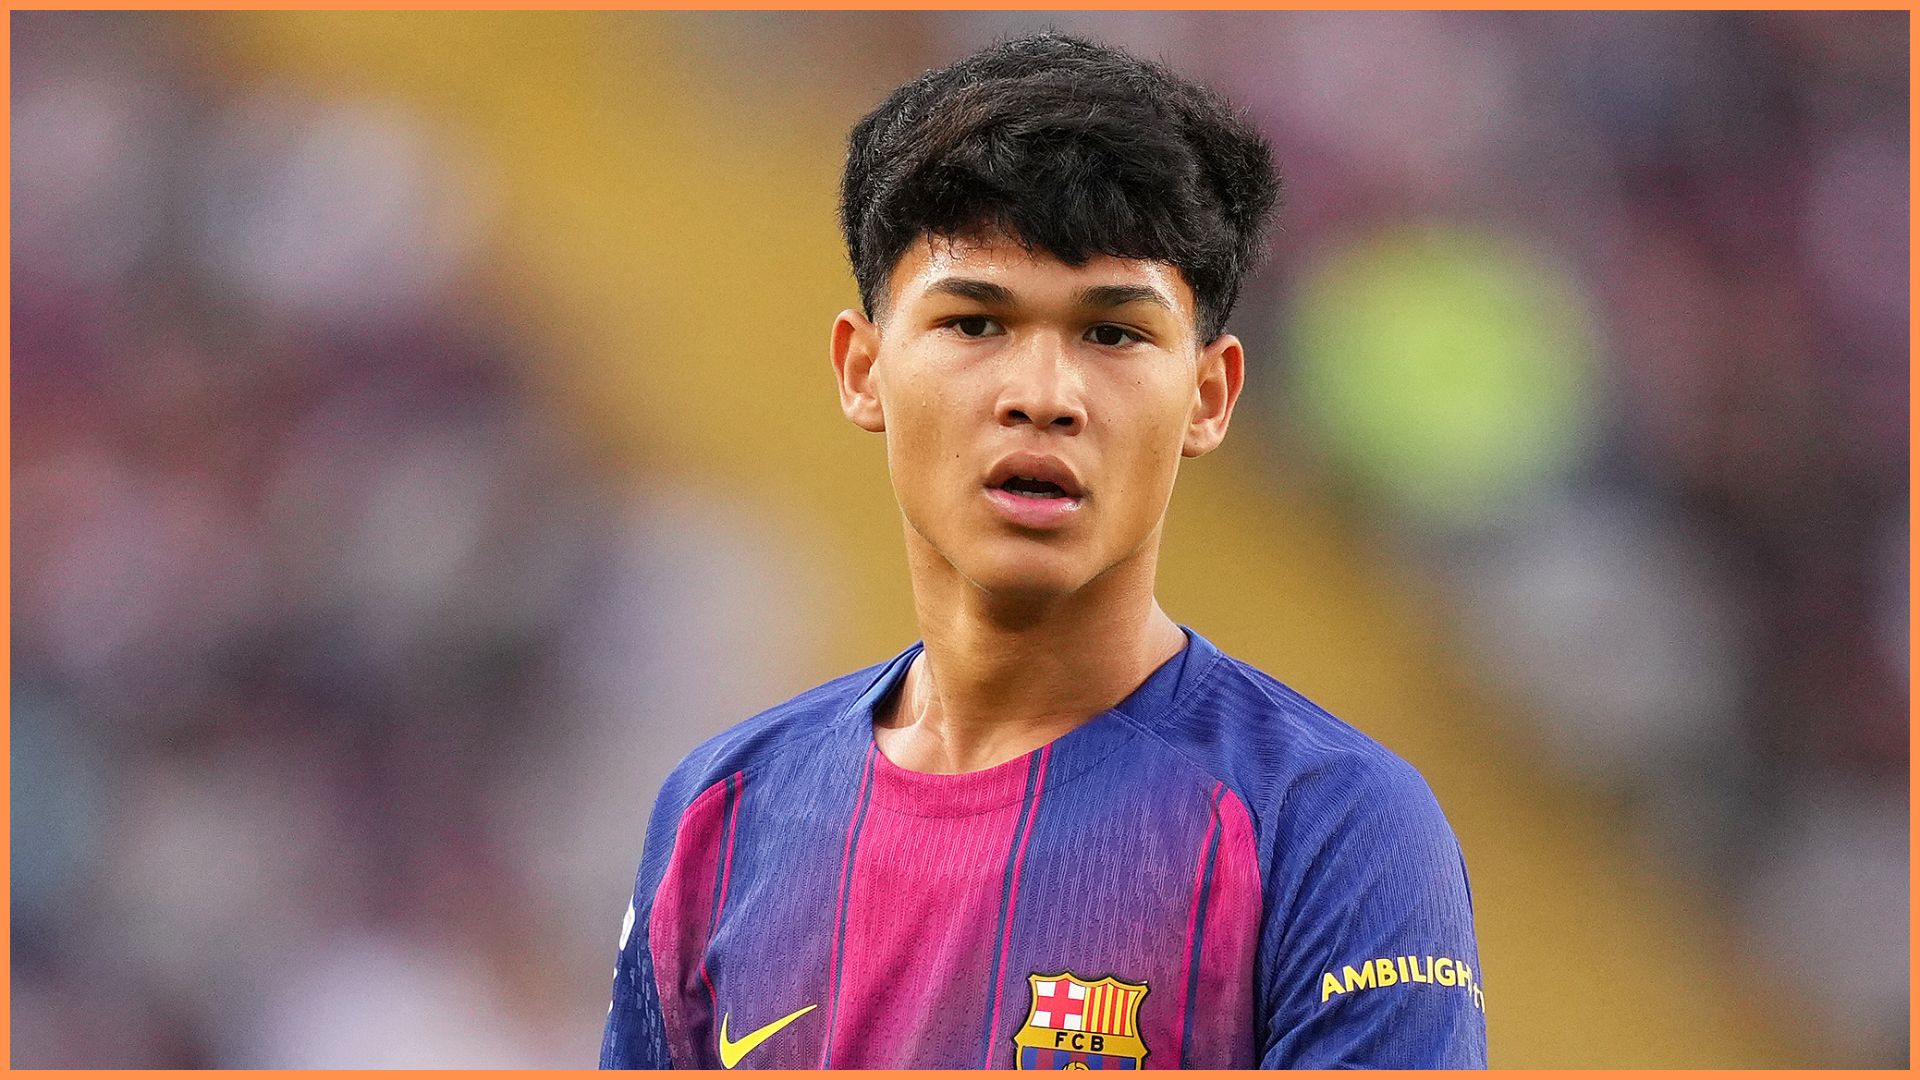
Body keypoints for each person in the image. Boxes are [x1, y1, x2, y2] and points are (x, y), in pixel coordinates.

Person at [600, 32, 1486, 1070]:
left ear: (1210, 396)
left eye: (1113, 335)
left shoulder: (1330, 826)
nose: (1044, 396)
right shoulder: (720, 815)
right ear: (863, 370)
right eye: (976, 322)